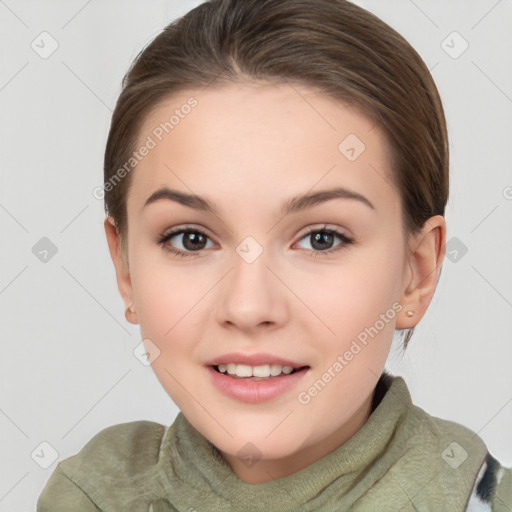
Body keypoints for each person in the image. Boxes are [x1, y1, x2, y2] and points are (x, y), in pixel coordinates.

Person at [37, 0, 511, 510]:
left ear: (415, 273)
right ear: (125, 267)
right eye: (191, 239)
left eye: (321, 238)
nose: (248, 307)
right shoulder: (90, 496)